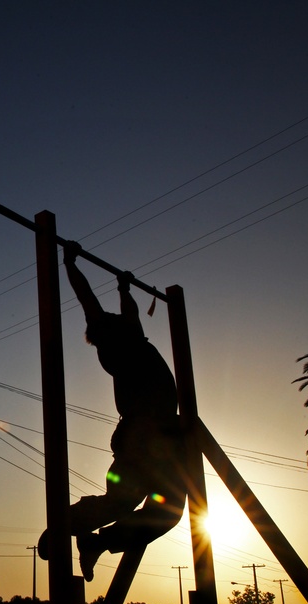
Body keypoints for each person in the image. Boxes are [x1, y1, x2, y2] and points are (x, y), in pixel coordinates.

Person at [38, 242, 187, 581]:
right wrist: (69, 261)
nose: (124, 318)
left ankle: (90, 539)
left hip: (160, 435)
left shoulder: (129, 336)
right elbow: (86, 296)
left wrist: (124, 287)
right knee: (134, 503)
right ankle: (66, 527)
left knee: (159, 509)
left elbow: (129, 310)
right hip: (145, 436)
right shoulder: (118, 343)